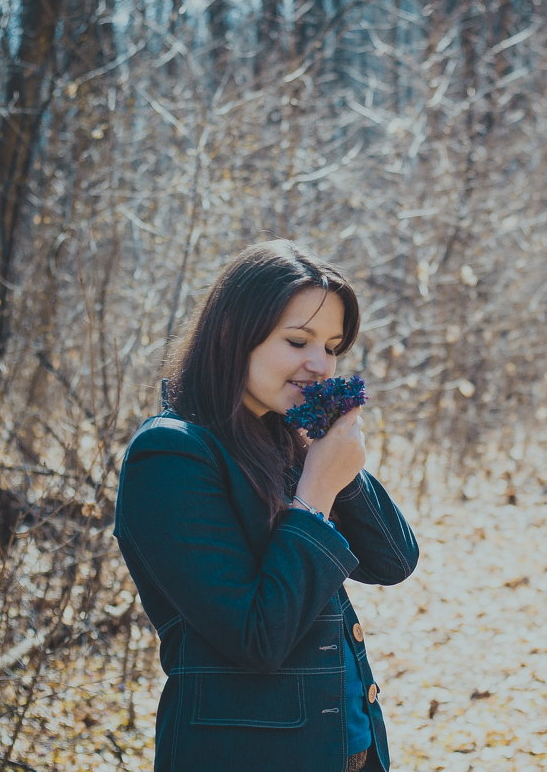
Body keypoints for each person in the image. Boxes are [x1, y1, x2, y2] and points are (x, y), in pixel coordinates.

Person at [113, 240, 420, 772]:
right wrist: (316, 490)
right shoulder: (171, 454)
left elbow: (394, 561)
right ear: (234, 334)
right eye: (298, 341)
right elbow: (257, 638)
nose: (320, 364)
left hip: (348, 748)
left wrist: (334, 460)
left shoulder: (282, 438)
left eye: (332, 346)